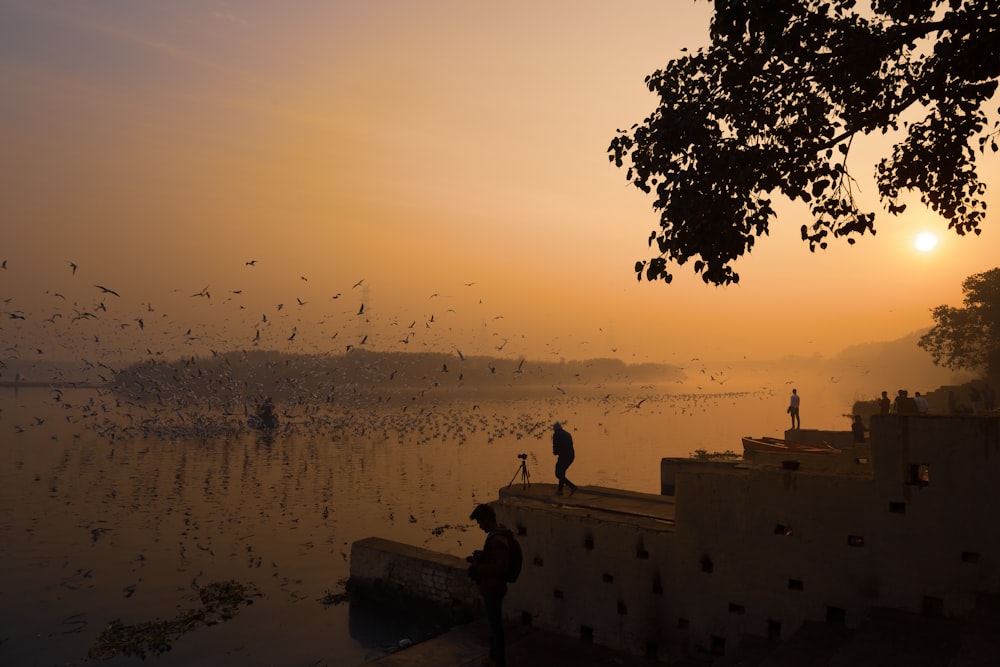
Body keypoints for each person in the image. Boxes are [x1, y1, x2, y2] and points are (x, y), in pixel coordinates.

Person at [468, 504, 512, 667]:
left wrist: (478, 568)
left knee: (496, 627)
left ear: (487, 520)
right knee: (494, 625)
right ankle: (493, 657)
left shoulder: (497, 540)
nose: (480, 526)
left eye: (480, 522)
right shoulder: (498, 536)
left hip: (494, 588)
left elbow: (502, 567)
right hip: (494, 587)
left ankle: (499, 661)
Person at [551, 422, 578, 496]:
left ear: (555, 429)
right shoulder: (567, 433)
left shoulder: (556, 434)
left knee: (558, 473)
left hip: (564, 456)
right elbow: (570, 444)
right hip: (571, 455)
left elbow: (555, 445)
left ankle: (572, 486)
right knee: (562, 472)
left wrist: (555, 452)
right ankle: (560, 491)